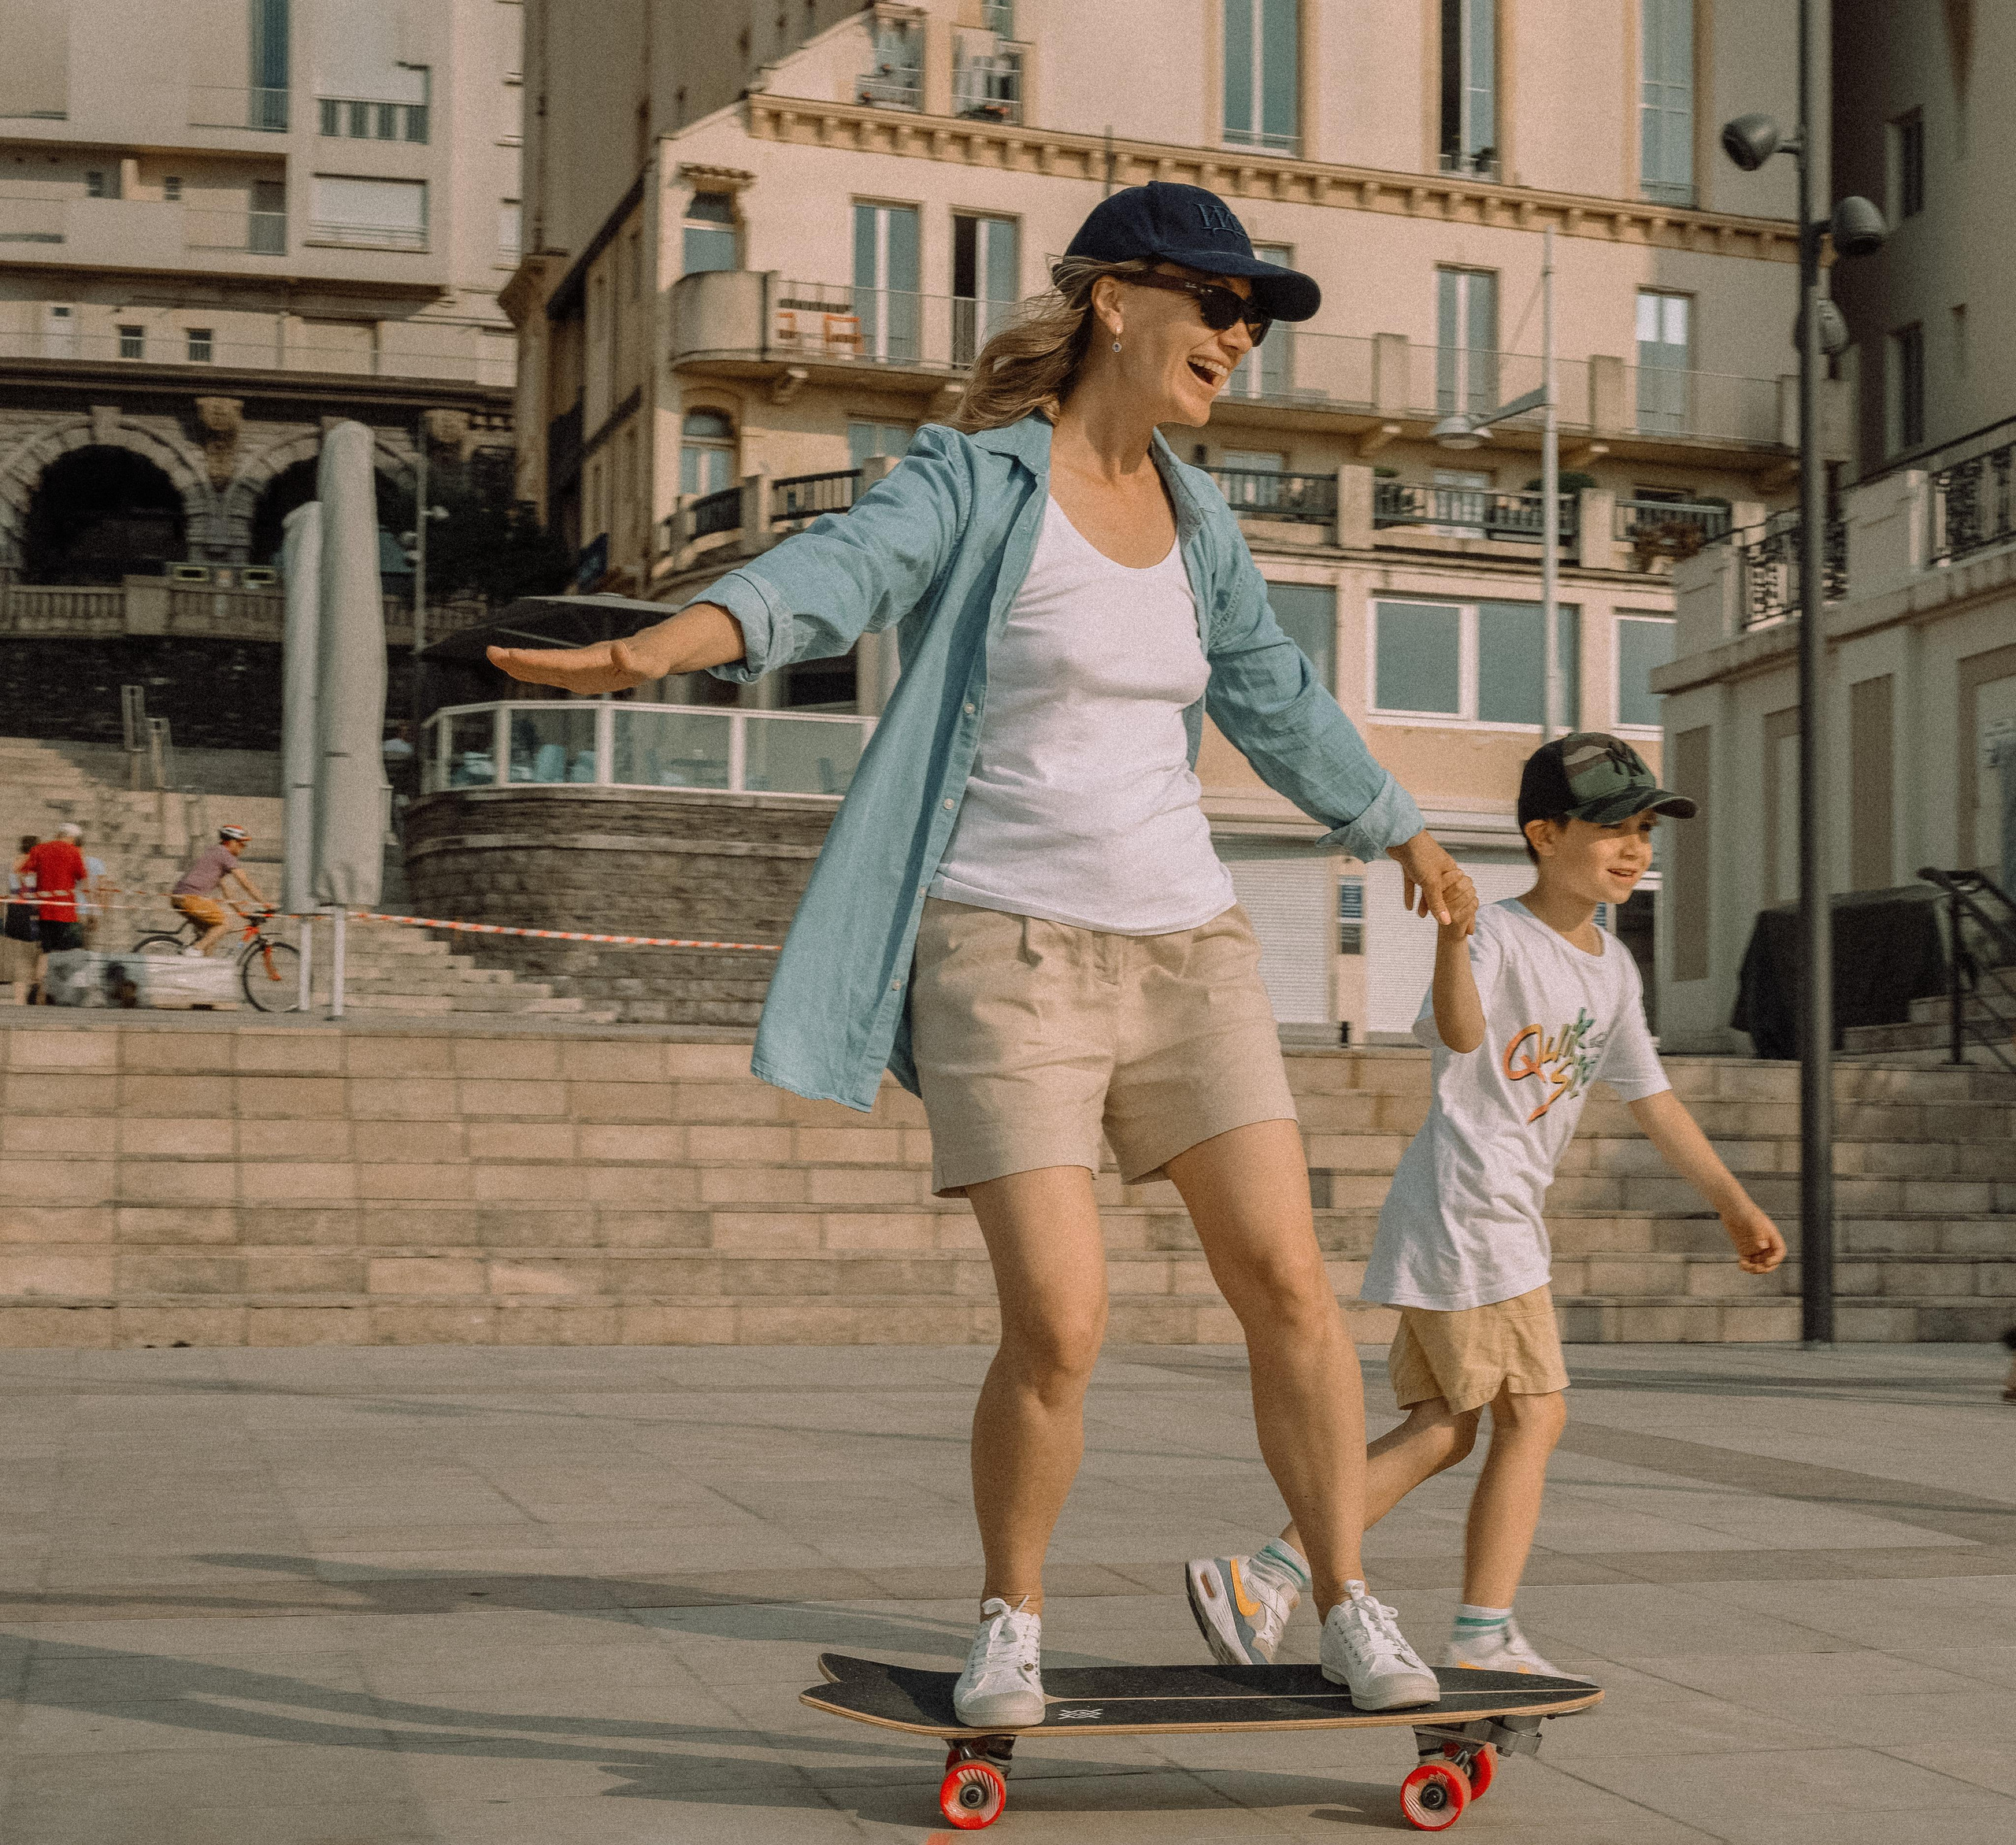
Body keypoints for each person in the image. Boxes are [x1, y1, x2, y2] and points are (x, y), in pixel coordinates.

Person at [488, 183, 1469, 1719]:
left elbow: (1270, 692)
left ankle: (1344, 1597)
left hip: (1185, 947)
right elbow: (834, 575)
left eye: (1249, 317)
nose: (1234, 335)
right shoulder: (973, 479)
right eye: (1213, 303)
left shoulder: (1196, 523)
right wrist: (648, 647)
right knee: (1059, 1321)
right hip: (1003, 949)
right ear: (1112, 300)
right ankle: (1009, 1619)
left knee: (1287, 1280)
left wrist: (1393, 822)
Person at [1185, 734, 1788, 1678]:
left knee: (1444, 1431)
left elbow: (1653, 1099)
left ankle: (1267, 1573)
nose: (1633, 850)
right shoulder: (1501, 935)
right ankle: (1481, 1632)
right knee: (1534, 1417)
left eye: (1642, 832)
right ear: (1543, 836)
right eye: (1611, 831)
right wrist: (1453, 941)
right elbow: (1462, 1037)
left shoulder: (1613, 968)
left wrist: (1732, 1204)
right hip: (1472, 1213)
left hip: (1483, 1218)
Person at [171, 825, 267, 958]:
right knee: (225, 924)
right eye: (241, 843)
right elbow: (246, 883)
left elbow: (227, 892)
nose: (243, 847)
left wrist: (241, 913)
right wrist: (266, 904)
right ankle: (195, 949)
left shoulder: (214, 853)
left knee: (211, 935)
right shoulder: (225, 855)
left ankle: (204, 972)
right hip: (191, 898)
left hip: (178, 898)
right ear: (230, 842)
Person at [21, 822, 89, 1002]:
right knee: (68, 951)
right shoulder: (74, 852)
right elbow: (83, 878)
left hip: (44, 909)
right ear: (72, 837)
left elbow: (25, 873)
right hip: (66, 912)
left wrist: (32, 897)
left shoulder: (39, 849)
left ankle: (38, 987)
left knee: (46, 950)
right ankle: (54, 991)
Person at [3, 835, 39, 1005]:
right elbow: (31, 890)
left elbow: (11, 888)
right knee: (30, 955)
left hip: (13, 911)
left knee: (17, 957)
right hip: (28, 912)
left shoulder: (13, 863)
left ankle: (19, 998)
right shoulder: (32, 864)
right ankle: (29, 996)